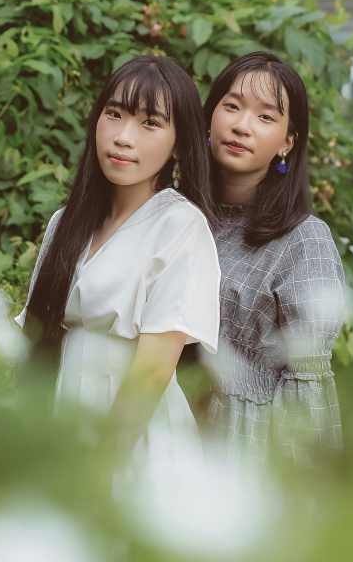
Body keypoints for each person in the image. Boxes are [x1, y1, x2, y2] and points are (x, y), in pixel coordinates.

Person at [17, 55, 221, 482]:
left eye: (149, 123)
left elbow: (153, 370)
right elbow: (34, 343)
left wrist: (101, 464)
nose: (123, 137)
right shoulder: (66, 223)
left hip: (134, 435)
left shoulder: (180, 226)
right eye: (114, 114)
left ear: (178, 143)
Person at [202, 51, 348, 464]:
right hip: (165, 426)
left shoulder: (304, 241)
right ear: (209, 117)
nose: (242, 126)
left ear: (287, 142)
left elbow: (308, 389)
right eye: (231, 106)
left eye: (266, 117)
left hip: (244, 443)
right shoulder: (176, 216)